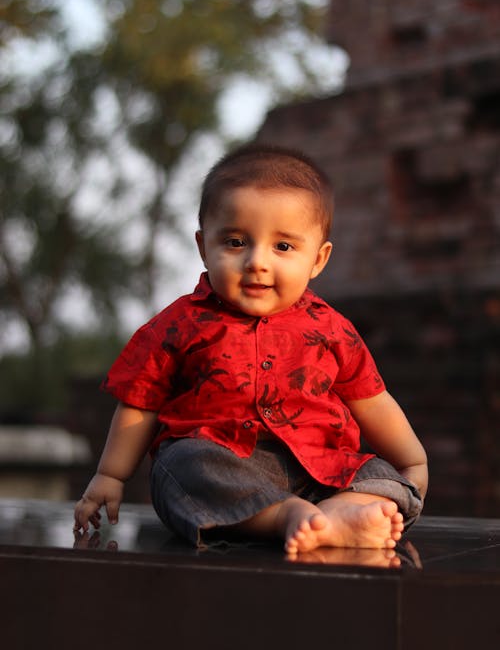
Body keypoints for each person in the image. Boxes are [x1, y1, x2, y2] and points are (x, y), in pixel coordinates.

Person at [74, 145, 427, 555]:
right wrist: (111, 475)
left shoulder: (332, 329)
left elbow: (372, 401)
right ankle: (287, 517)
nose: (257, 262)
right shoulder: (178, 324)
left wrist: (412, 462)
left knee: (386, 481)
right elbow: (140, 404)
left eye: (283, 247)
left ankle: (337, 515)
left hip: (319, 468)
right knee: (181, 467)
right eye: (237, 242)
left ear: (318, 259)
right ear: (204, 246)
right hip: (222, 462)